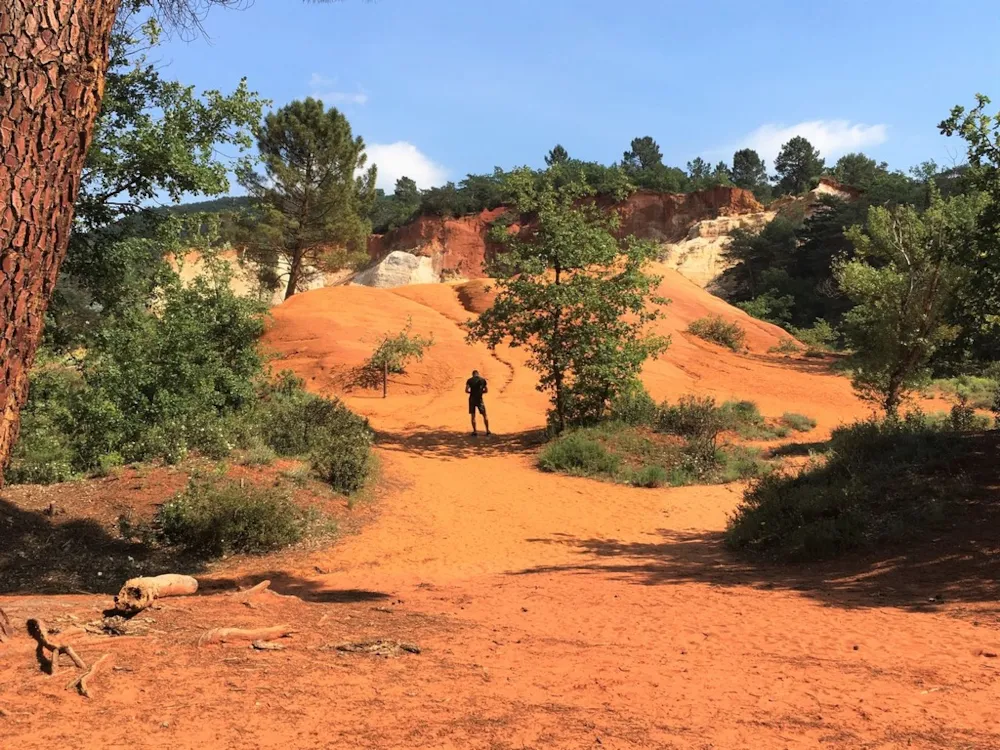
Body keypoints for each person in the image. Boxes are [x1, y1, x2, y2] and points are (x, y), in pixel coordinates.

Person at [465, 370, 491, 436]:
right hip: (479, 399)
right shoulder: (483, 380)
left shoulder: (469, 380)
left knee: (473, 416)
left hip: (472, 399)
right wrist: (481, 392)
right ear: (478, 374)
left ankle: (475, 431)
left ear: (473, 374)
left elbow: (466, 390)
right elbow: (486, 390)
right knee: (484, 415)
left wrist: (471, 392)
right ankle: (487, 430)